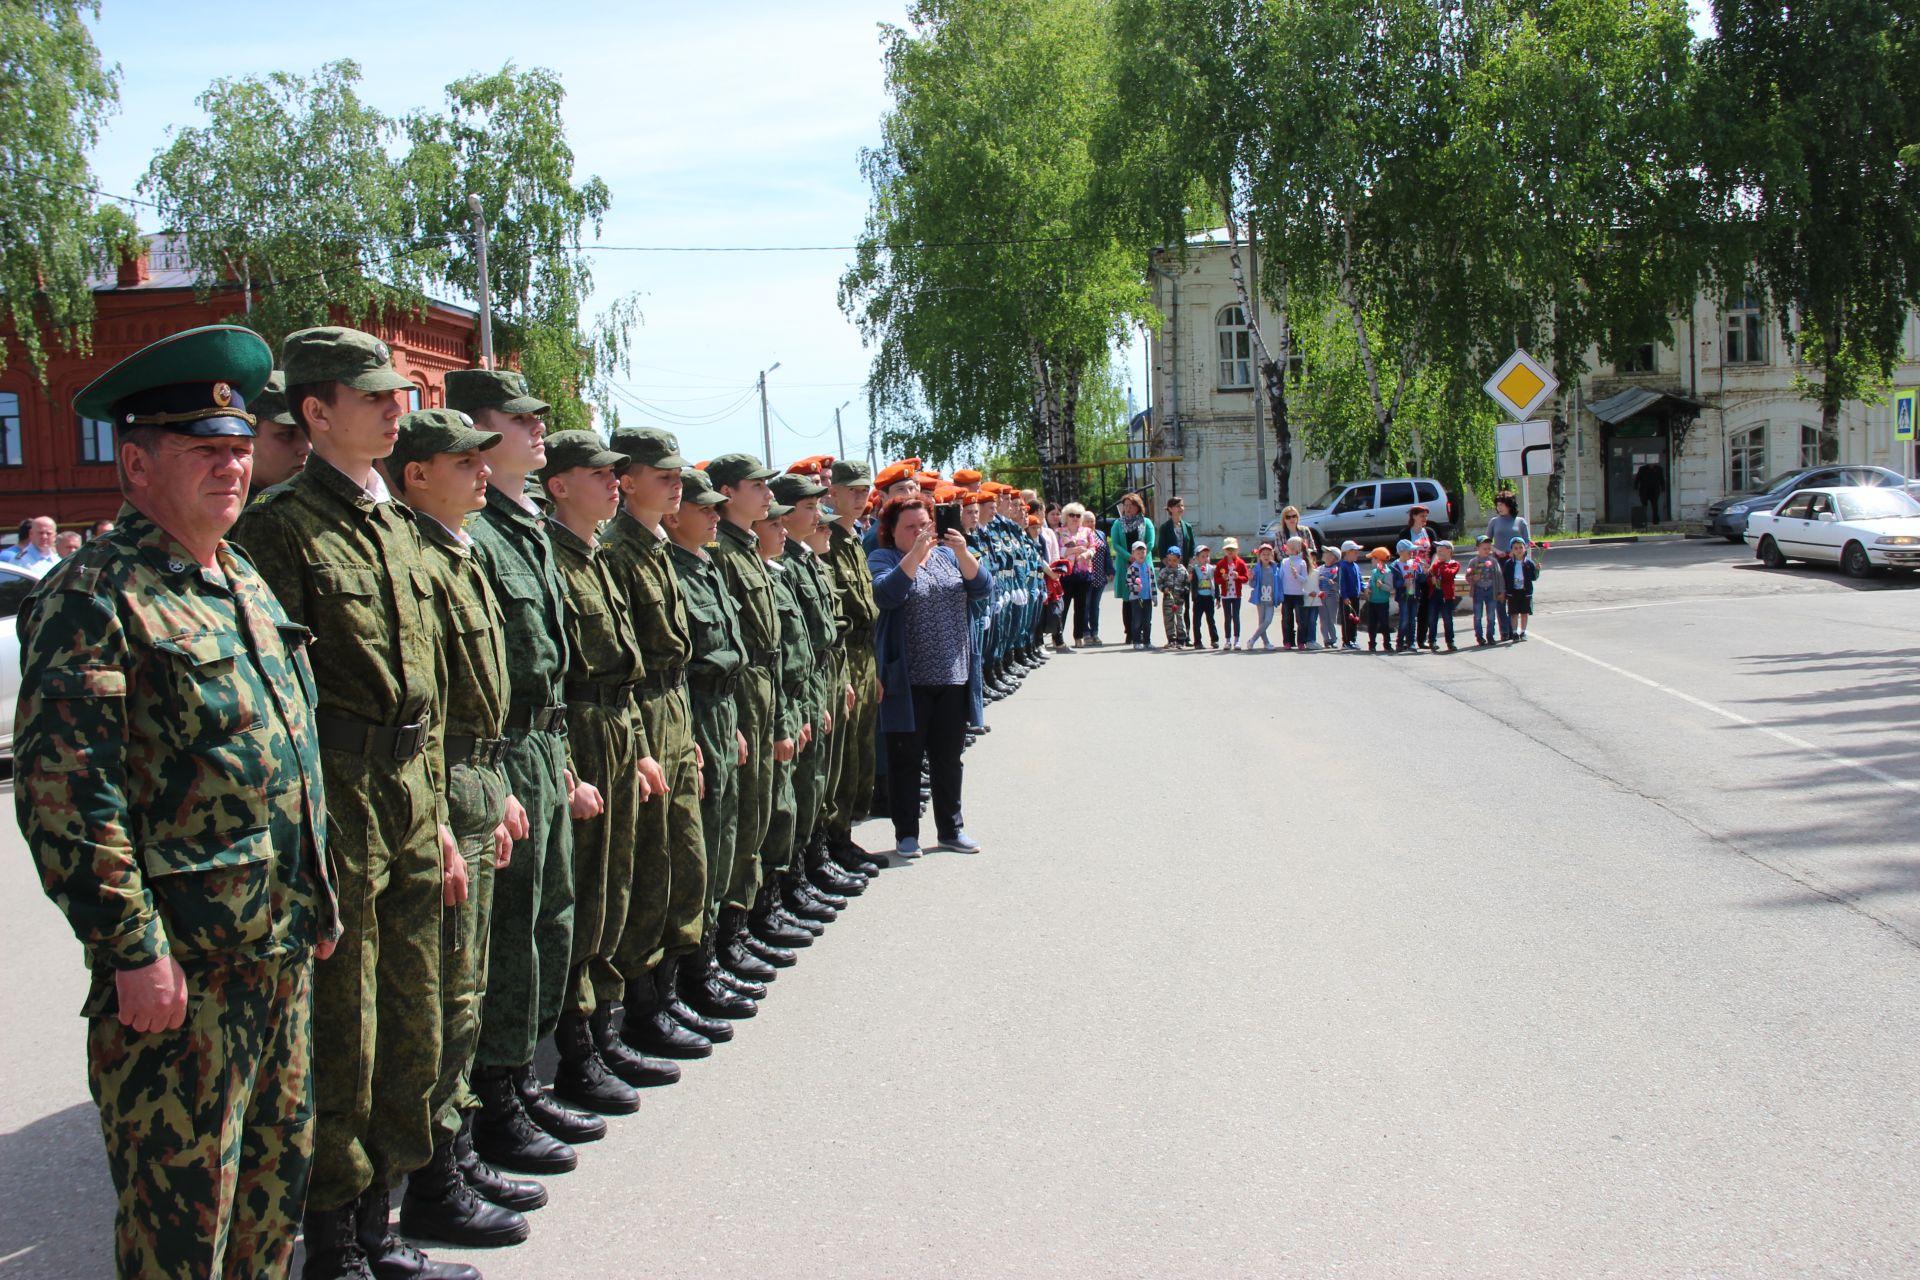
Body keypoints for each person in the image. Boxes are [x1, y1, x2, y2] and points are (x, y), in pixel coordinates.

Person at [18, 325, 333, 1280]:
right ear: (138, 463)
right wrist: (131, 950)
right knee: (182, 1228)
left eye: (240, 450)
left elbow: (288, 759)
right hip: (181, 980)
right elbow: (70, 798)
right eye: (206, 450)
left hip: (275, 953)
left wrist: (316, 896)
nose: (232, 468)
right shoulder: (95, 596)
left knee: (272, 1207)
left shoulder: (240, 579)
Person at [229, 326, 470, 1280]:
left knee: (412, 1011)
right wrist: (303, 845)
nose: (392, 408)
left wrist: (444, 816)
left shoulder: (401, 528)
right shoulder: (278, 529)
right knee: (347, 1023)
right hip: (338, 802)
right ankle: (332, 1241)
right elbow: (275, 708)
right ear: (315, 412)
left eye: (394, 394)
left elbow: (434, 691)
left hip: (411, 792)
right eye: (371, 396)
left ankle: (383, 1220)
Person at [384, 407, 542, 1251]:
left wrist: (499, 786)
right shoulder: (414, 556)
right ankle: (431, 1180)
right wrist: (446, 812)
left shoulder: (458, 549)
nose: (483, 473)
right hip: (436, 793)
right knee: (438, 996)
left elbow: (482, 702)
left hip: (479, 779)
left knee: (468, 987)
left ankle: (457, 1148)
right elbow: (427, 708)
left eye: (486, 460)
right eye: (464, 461)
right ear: (418, 474)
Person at [450, 369, 607, 1184]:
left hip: (543, 743)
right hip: (500, 750)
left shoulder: (527, 529)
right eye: (520, 417)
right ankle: (491, 1100)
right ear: (480, 430)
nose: (538, 427)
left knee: (548, 921)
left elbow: (556, 674)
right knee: (503, 939)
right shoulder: (474, 533)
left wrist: (568, 765)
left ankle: (517, 1078)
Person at [541, 429, 673, 1116]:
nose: (613, 483)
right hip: (584, 734)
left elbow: (632, 673)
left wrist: (644, 744)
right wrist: (566, 766)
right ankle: (577, 1050)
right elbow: (550, 680)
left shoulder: (594, 556)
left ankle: (607, 1027)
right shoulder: (556, 559)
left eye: (615, 473)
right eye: (599, 473)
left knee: (618, 889)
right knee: (586, 900)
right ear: (560, 484)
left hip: (619, 728)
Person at [603, 436, 740, 1061]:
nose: (677, 484)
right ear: (627, 480)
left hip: (675, 711)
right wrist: (642, 744)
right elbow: (621, 667)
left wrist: (688, 737)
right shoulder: (617, 552)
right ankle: (640, 1009)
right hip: (641, 716)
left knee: (684, 858)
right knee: (648, 868)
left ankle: (674, 987)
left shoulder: (656, 547)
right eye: (662, 474)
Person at [663, 467, 771, 996]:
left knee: (730, 829)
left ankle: (721, 945)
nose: (712, 515)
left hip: (724, 707)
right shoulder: (674, 565)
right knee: (698, 846)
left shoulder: (705, 564)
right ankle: (692, 970)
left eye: (712, 506)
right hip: (696, 710)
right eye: (701, 507)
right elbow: (675, 667)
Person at [708, 448, 807, 970]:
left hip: (764, 684)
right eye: (758, 486)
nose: (770, 496)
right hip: (742, 689)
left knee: (767, 805)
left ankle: (755, 918)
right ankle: (732, 934)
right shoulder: (722, 551)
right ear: (728, 494)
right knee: (744, 819)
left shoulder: (744, 547)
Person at [870, 494, 990, 856]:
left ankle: (951, 829)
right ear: (891, 531)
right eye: (910, 527)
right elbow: (886, 595)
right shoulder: (884, 558)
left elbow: (982, 588)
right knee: (906, 760)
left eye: (925, 525)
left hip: (953, 676)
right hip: (910, 681)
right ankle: (906, 834)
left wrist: (963, 552)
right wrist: (914, 555)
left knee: (948, 759)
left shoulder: (947, 557)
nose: (920, 532)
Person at [822, 459, 886, 876]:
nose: (861, 498)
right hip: (843, 659)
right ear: (834, 493)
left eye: (865, 491)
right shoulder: (825, 541)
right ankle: (833, 843)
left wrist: (875, 671)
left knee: (860, 751)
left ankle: (845, 835)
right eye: (853, 491)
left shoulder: (853, 540)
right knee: (841, 758)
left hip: (864, 658)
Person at [246, 369, 312, 496]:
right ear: (247, 436)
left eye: (309, 433)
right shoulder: (224, 510)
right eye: (287, 434)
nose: (307, 448)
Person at [1108, 493, 1155, 644]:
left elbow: (1151, 542)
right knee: (1128, 600)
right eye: (1125, 505)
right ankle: (1130, 632)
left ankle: (1143, 632)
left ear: (1138, 506)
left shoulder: (1146, 522)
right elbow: (1115, 544)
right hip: (1126, 564)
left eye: (1131, 505)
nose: (1128, 509)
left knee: (1144, 598)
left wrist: (1140, 555)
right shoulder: (1118, 523)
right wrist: (1129, 556)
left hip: (1143, 564)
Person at [1057, 502, 1099, 646]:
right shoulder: (1060, 531)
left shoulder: (1087, 531)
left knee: (1081, 607)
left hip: (1083, 573)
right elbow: (1057, 551)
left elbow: (1093, 547)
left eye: (1078, 515)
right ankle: (1058, 637)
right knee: (1063, 607)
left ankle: (1078, 637)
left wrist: (1087, 554)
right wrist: (1073, 551)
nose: (1075, 518)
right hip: (1065, 574)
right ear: (1066, 516)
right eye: (1071, 515)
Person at [1396, 505, 1437, 647]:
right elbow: (1401, 551)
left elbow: (1435, 552)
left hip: (1426, 573)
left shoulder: (1430, 532)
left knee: (1425, 606)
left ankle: (1421, 639)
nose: (1425, 519)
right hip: (1411, 574)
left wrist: (1431, 566)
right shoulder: (1406, 533)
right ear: (1414, 516)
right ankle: (1408, 640)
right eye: (1422, 516)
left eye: (1426, 516)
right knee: (1411, 606)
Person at [1157, 496, 1198, 639]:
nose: (1181, 508)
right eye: (1177, 506)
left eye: (1182, 506)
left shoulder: (1187, 526)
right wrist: (1169, 568)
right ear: (1170, 509)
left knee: (1184, 604)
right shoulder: (1165, 528)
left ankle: (1185, 636)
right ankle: (1172, 636)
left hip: (1183, 570)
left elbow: (1192, 547)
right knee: (1170, 605)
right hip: (1170, 571)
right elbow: (1161, 549)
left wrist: (1190, 567)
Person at [1467, 534, 1507, 645]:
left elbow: (1499, 577)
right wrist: (1473, 578)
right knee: (1478, 615)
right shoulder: (1473, 562)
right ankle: (1479, 637)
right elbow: (1468, 576)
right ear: (1477, 548)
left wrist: (1501, 591)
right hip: (1478, 591)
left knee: (1491, 615)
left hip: (1491, 590)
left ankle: (1490, 636)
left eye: (1489, 548)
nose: (1487, 550)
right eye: (1484, 548)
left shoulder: (1493, 562)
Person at [1426, 539, 1463, 651]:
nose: (1439, 552)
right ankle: (1432, 641)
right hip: (1435, 595)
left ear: (1449, 551)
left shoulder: (1454, 564)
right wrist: (1430, 579)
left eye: (1442, 550)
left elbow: (1448, 574)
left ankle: (1450, 641)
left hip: (1446, 597)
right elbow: (1429, 577)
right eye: (1438, 550)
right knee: (1432, 619)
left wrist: (1440, 565)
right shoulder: (1435, 565)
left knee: (1448, 620)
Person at [1246, 542, 1283, 649]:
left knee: (1267, 621)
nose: (1266, 556)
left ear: (1272, 555)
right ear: (1259, 556)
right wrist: (1251, 578)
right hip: (1260, 599)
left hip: (1271, 599)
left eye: (1268, 554)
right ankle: (1266, 643)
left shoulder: (1275, 568)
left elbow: (1279, 584)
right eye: (1264, 554)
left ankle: (1252, 639)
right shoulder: (1257, 569)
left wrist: (1280, 596)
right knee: (1262, 622)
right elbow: (1253, 585)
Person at [1214, 536, 1249, 649]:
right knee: (1227, 617)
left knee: (1236, 617)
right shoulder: (1220, 564)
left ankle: (1237, 640)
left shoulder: (1240, 563)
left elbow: (1246, 578)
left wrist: (1238, 577)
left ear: (1237, 550)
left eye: (1232, 549)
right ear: (1224, 550)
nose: (1230, 551)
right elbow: (1216, 580)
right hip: (1225, 595)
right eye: (1228, 549)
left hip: (1236, 595)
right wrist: (1222, 579)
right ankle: (1227, 640)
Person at [1121, 540, 1155, 649]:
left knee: (1147, 621)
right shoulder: (1132, 568)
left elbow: (1152, 583)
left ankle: (1147, 642)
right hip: (1136, 599)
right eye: (1138, 553)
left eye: (1143, 553)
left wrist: (1154, 596)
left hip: (1147, 598)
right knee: (1136, 621)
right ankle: (1136, 641)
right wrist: (1136, 587)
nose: (1141, 555)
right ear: (1133, 554)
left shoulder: (1148, 567)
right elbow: (1128, 583)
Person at [1504, 536, 1540, 638]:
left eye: (1521, 547)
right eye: (1515, 548)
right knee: (1514, 613)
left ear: (1525, 548)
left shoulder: (1529, 563)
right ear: (1512, 550)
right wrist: (1505, 591)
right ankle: (1514, 632)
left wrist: (1537, 570)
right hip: (1513, 592)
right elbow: (1505, 578)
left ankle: (1523, 631)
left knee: (1524, 612)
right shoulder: (1509, 564)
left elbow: (1534, 577)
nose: (1519, 550)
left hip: (1525, 592)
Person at [1157, 546, 1191, 648]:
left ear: (1179, 559)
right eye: (1169, 560)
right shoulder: (1164, 571)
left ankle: (1181, 639)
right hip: (1168, 600)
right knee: (1168, 619)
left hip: (1179, 600)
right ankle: (1171, 639)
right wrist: (1163, 588)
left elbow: (1187, 582)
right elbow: (1159, 582)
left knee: (1180, 618)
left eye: (1174, 560)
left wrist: (1185, 589)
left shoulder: (1183, 570)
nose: (1171, 562)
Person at [1391, 540, 1421, 652]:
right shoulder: (1395, 565)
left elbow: (1421, 578)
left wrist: (1421, 570)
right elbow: (1394, 582)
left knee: (1413, 620)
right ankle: (1400, 642)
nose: (1412, 553)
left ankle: (1411, 643)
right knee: (1404, 619)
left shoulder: (1414, 563)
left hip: (1414, 595)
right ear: (1402, 551)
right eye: (1410, 551)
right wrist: (1403, 583)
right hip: (1403, 596)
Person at [1279, 535, 1309, 649]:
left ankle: (1301, 641)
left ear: (1295, 549)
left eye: (1289, 546)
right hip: (1286, 594)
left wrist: (1297, 575)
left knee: (1300, 619)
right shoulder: (1284, 561)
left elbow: (1304, 579)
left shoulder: (1302, 562)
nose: (1286, 548)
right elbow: (1281, 577)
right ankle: (1288, 640)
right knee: (1286, 618)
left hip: (1298, 594)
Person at [1486, 490, 1531, 561]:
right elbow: (1486, 542)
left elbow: (1527, 542)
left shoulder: (1520, 521)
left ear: (1509, 505)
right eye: (1497, 505)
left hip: (1517, 559)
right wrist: (1497, 551)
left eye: (1501, 505)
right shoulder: (1493, 521)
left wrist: (1515, 551)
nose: (1499, 508)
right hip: (1498, 560)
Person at [1336, 541, 1365, 650]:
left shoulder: (1356, 566)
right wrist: (1345, 596)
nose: (1357, 553)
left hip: (1355, 596)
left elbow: (1360, 579)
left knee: (1355, 619)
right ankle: (1347, 641)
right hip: (1347, 598)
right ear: (1348, 552)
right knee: (1347, 619)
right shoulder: (1342, 566)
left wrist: (1364, 588)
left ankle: (1353, 639)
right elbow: (1342, 583)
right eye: (1355, 552)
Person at [1190, 544, 1219, 649]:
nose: (1206, 558)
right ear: (1197, 558)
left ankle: (1214, 640)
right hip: (1199, 599)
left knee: (1211, 620)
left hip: (1209, 598)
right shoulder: (1194, 569)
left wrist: (1217, 597)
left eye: (1207, 556)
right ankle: (1197, 642)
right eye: (1202, 556)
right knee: (1197, 621)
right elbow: (1190, 581)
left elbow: (1215, 583)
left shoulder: (1211, 569)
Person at [1365, 547, 1394, 651]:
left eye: (1373, 558)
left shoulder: (1387, 572)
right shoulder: (1374, 571)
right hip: (1373, 602)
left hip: (1382, 603)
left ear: (1378, 560)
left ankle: (1387, 644)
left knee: (1384, 624)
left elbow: (1390, 588)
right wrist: (1368, 588)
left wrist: (1382, 586)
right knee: (1372, 624)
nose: (1371, 561)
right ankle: (1372, 644)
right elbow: (1370, 582)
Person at [1316, 545, 1341, 649]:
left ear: (1333, 557)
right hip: (1321, 596)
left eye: (1327, 553)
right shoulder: (1319, 569)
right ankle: (1326, 639)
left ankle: (1333, 639)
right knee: (1323, 619)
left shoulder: (1336, 569)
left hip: (1331, 595)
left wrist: (1333, 584)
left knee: (1331, 618)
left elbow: (1338, 584)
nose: (1324, 554)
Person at [1635, 459, 1666, 524]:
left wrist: (1663, 488)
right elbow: (1637, 478)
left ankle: (1655, 521)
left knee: (1655, 506)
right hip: (1644, 491)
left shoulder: (1658, 469)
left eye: (1653, 463)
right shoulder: (1642, 469)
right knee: (1644, 506)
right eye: (1650, 463)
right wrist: (1635, 487)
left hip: (1654, 491)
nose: (1652, 464)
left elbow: (1661, 479)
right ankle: (1643, 521)